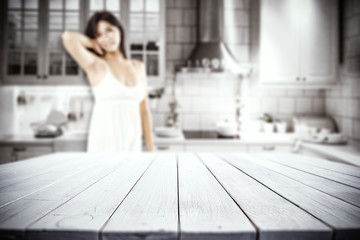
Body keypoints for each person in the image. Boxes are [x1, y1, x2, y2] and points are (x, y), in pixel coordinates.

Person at [62, 11, 154, 152]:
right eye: (99, 35)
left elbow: (144, 111)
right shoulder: (96, 65)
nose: (105, 38)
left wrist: (151, 149)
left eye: (109, 30)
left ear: (119, 30)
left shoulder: (138, 66)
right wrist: (92, 43)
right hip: (103, 145)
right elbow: (67, 37)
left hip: (132, 145)